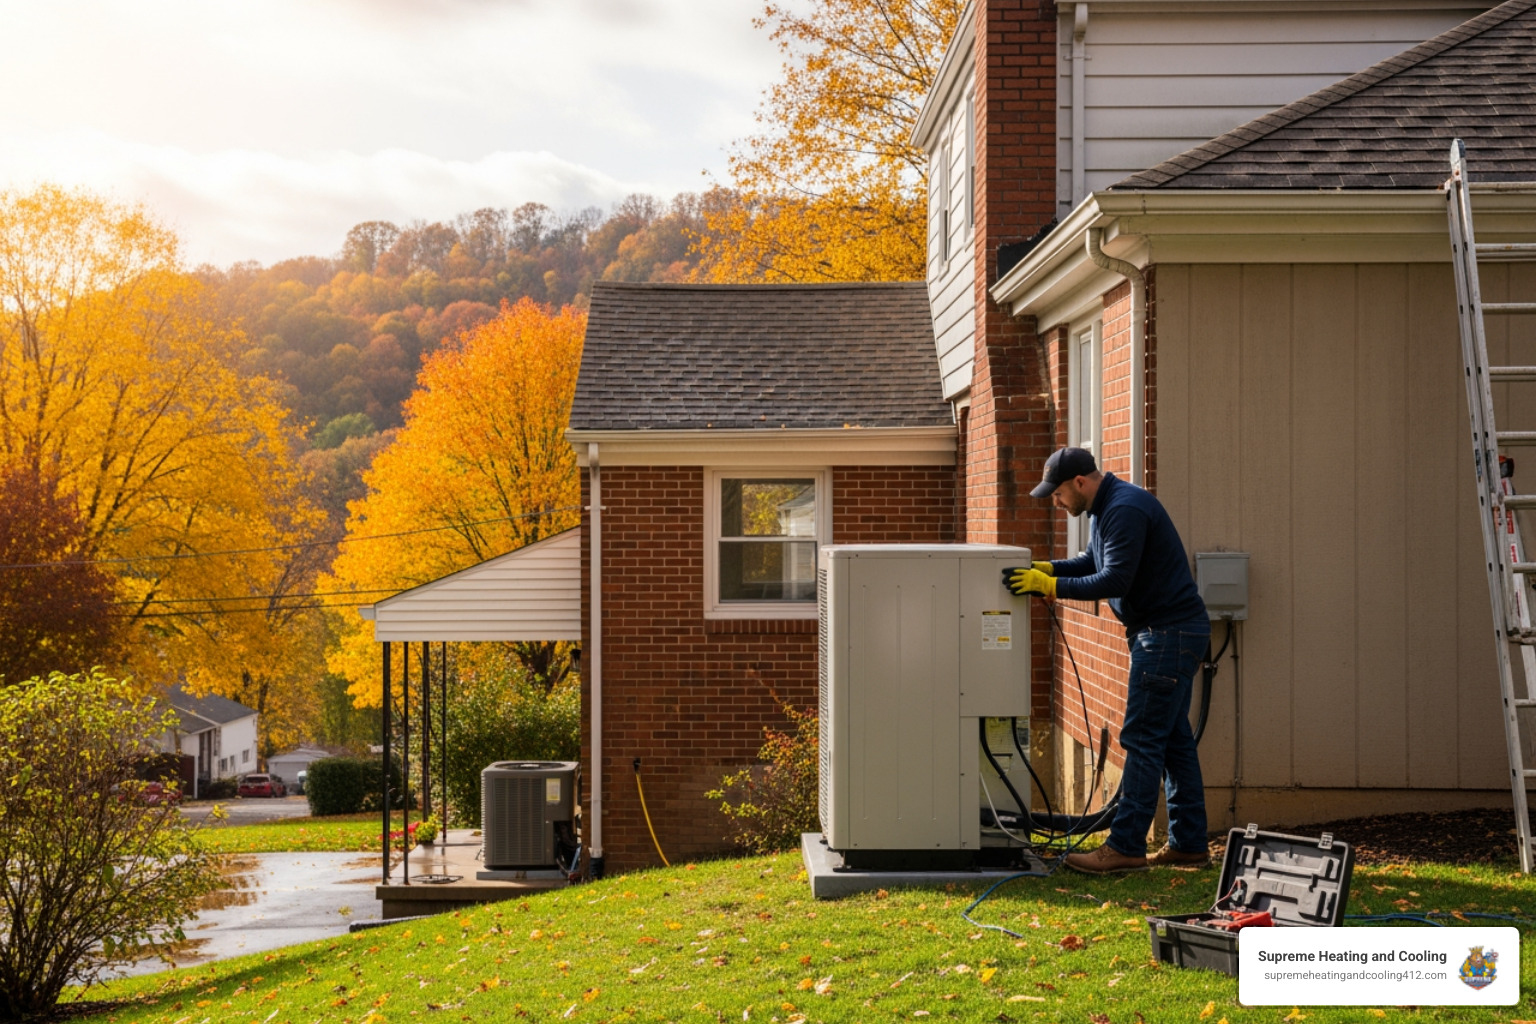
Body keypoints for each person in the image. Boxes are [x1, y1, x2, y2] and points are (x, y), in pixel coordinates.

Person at [1003, 446, 1210, 874]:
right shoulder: (1105, 509)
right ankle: (1189, 844)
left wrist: (1052, 586)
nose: (1056, 504)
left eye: (1058, 494)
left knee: (1143, 740)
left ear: (1079, 482)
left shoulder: (1125, 508)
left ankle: (1126, 846)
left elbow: (1114, 578)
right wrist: (1048, 569)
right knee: (1173, 742)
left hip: (1167, 636)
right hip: (1169, 633)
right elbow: (1092, 562)